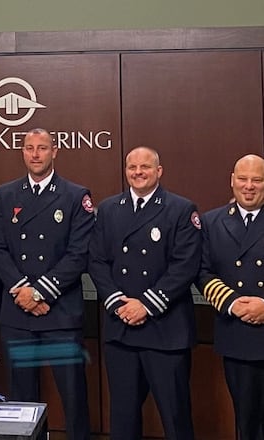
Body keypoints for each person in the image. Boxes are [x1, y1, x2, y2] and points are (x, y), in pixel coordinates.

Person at [88, 146, 201, 440]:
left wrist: (146, 305)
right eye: (132, 168)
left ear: (159, 171)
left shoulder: (181, 209)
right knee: (123, 420)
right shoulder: (110, 209)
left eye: (145, 167)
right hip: (120, 328)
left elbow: (185, 266)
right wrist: (116, 303)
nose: (138, 173)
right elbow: (97, 261)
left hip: (165, 330)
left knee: (175, 418)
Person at [0, 128, 93, 440]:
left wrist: (39, 292)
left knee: (73, 396)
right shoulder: (6, 194)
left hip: (59, 313)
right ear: (23, 152)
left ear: (54, 151)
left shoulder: (75, 196)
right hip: (18, 314)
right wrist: (23, 291)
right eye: (29, 148)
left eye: (42, 148)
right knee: (21, 399)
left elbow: (79, 253)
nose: (35, 154)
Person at [198, 154, 264, 440]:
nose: (249, 186)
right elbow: (202, 273)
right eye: (243, 179)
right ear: (232, 181)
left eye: (257, 180)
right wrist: (233, 304)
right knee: (247, 421)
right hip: (238, 334)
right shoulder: (211, 222)